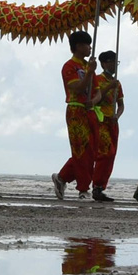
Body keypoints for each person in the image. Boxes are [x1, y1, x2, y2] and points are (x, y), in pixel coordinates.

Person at [51, 31, 96, 201]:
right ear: (78, 46)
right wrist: (90, 73)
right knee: (81, 150)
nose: (90, 48)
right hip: (76, 111)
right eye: (87, 44)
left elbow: (96, 91)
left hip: (89, 111)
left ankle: (62, 177)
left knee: (91, 151)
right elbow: (76, 88)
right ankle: (84, 189)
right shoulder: (70, 66)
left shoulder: (87, 66)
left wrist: (95, 100)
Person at [89, 49, 123, 201]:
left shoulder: (117, 83)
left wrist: (117, 115)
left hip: (112, 121)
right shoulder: (97, 80)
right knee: (104, 153)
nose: (114, 65)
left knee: (111, 155)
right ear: (103, 64)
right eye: (111, 62)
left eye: (116, 62)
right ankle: (96, 186)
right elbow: (95, 98)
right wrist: (109, 87)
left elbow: (121, 104)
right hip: (100, 120)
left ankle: (101, 187)